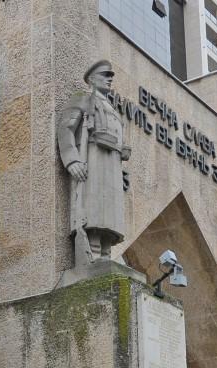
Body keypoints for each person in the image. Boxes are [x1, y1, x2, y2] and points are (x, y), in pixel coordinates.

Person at [57, 59, 131, 264]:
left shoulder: (112, 108)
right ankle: (93, 253)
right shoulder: (84, 99)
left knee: (110, 212)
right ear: (91, 79)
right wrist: (72, 161)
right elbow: (66, 129)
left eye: (111, 77)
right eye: (104, 76)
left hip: (111, 167)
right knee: (94, 207)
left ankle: (106, 255)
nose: (109, 80)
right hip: (93, 162)